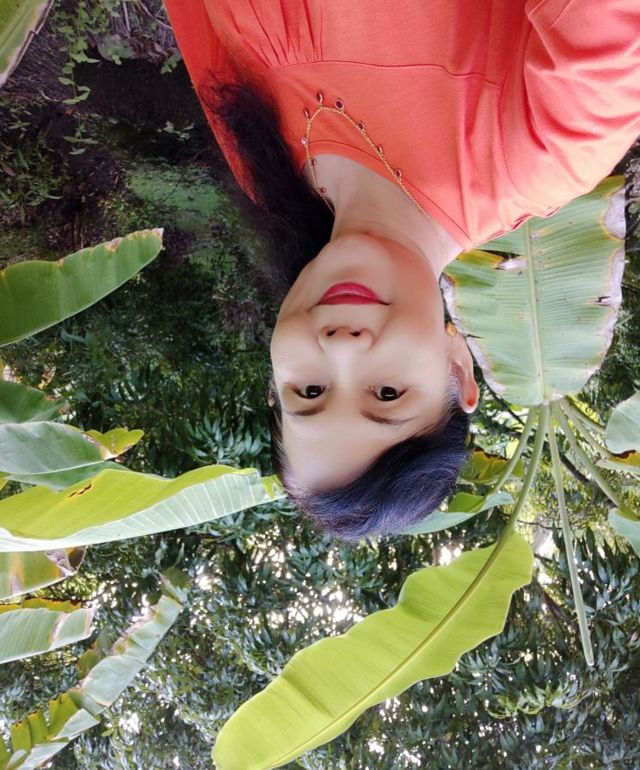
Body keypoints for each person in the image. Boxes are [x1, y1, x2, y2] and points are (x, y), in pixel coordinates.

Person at [163, 0, 640, 540]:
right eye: (388, 394)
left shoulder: (263, 168)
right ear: (457, 372)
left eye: (310, 391)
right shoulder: (554, 141)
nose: (341, 346)